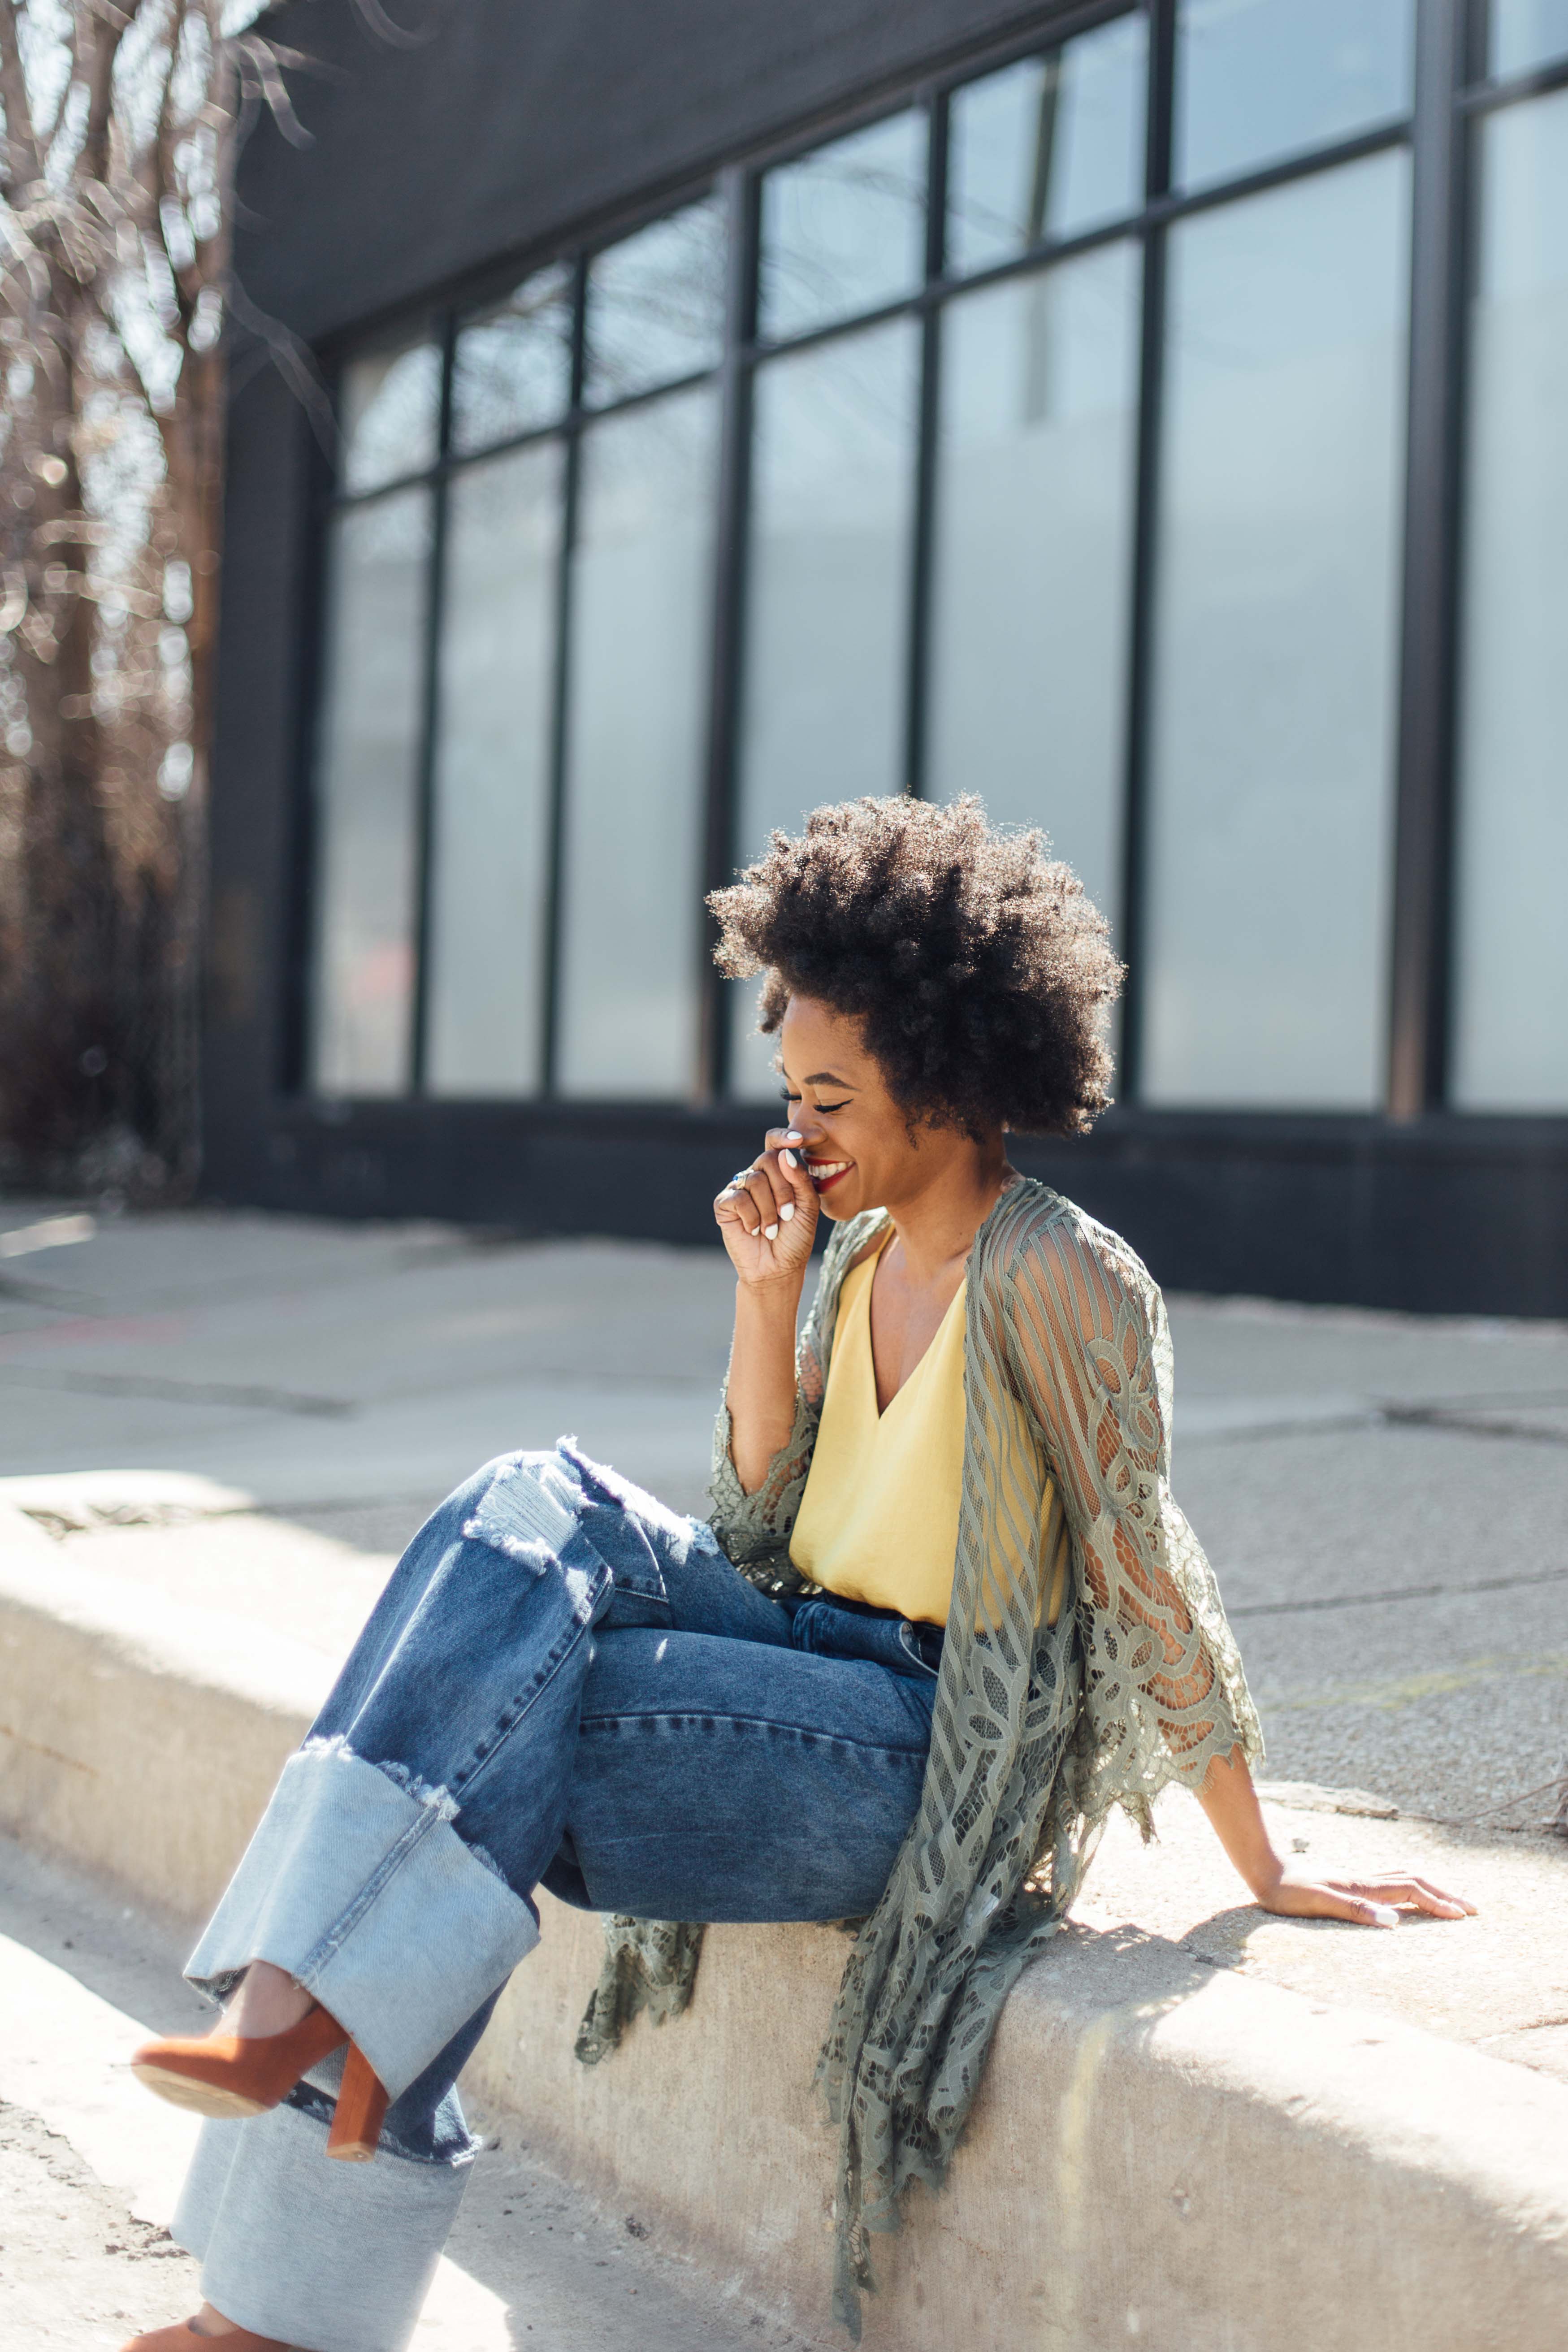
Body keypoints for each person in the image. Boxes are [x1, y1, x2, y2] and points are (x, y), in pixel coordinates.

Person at [120, 797, 1473, 2352]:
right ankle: (298, 2046)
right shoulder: (846, 1257)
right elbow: (760, 1528)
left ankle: (285, 2153)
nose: (798, 1134)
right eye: (789, 1093)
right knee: (519, 1505)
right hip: (797, 1654)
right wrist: (764, 1303)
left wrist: (1263, 1862)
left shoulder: (1060, 1277)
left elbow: (1140, 1569)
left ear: (953, 1085)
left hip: (910, 1747)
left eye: (830, 1097)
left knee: (521, 1712)